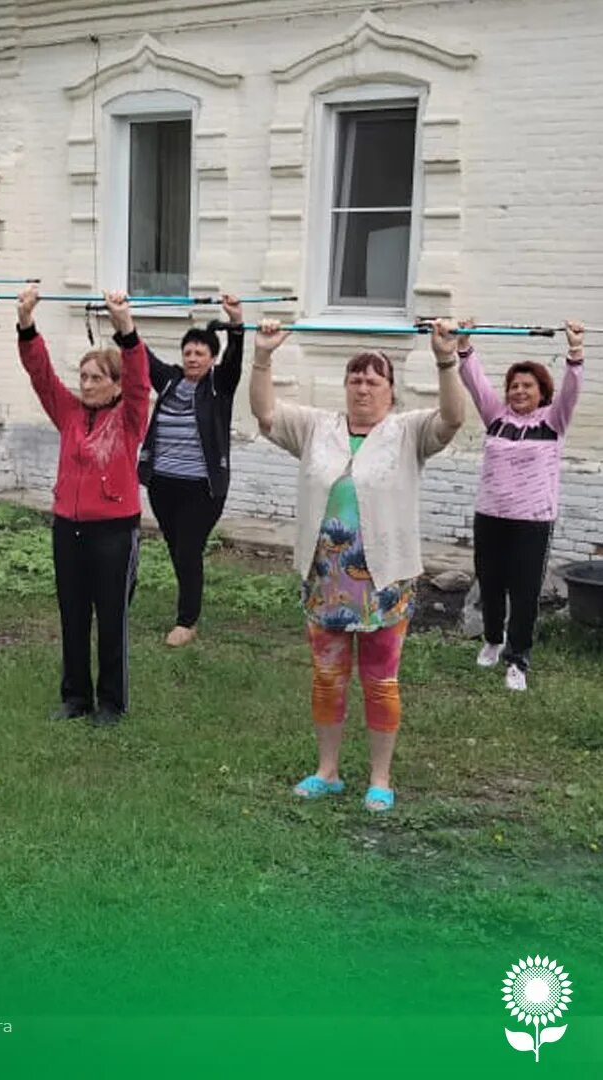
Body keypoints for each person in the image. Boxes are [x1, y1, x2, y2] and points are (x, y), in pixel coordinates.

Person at [249, 319, 464, 812]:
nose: (363, 386)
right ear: (345, 386)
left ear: (390, 390)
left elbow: (452, 420)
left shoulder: (406, 431)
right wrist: (262, 356)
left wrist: (446, 359)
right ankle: (327, 771)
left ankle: (380, 778)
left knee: (380, 679)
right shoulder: (316, 427)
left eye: (374, 380)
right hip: (326, 580)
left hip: (385, 583)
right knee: (327, 677)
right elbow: (264, 412)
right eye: (355, 379)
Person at [16, 285, 151, 726]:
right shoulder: (70, 412)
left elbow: (139, 380)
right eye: (84, 377)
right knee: (73, 615)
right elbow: (40, 376)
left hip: (114, 529)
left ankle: (111, 703)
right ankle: (76, 698)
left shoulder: (129, 416)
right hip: (68, 527)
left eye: (97, 378)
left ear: (114, 384)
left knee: (111, 617)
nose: (87, 385)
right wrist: (26, 323)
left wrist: (124, 329)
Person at [459, 320, 586, 691]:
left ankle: (518, 659)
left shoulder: (554, 421)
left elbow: (572, 390)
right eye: (514, 385)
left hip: (533, 521)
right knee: (492, 583)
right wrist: (464, 344)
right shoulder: (496, 418)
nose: (518, 391)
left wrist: (575, 351)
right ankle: (493, 641)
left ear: (542, 391)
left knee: (525, 591)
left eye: (527, 386)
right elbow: (474, 382)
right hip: (490, 515)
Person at [138, 295, 245, 646]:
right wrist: (122, 319)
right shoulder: (169, 381)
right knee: (176, 547)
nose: (193, 358)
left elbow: (234, 361)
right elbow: (139, 354)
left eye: (200, 353)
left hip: (203, 487)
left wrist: (236, 323)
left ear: (211, 358)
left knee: (188, 549)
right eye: (188, 352)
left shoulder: (218, 386)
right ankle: (189, 602)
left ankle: (187, 621)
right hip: (162, 483)